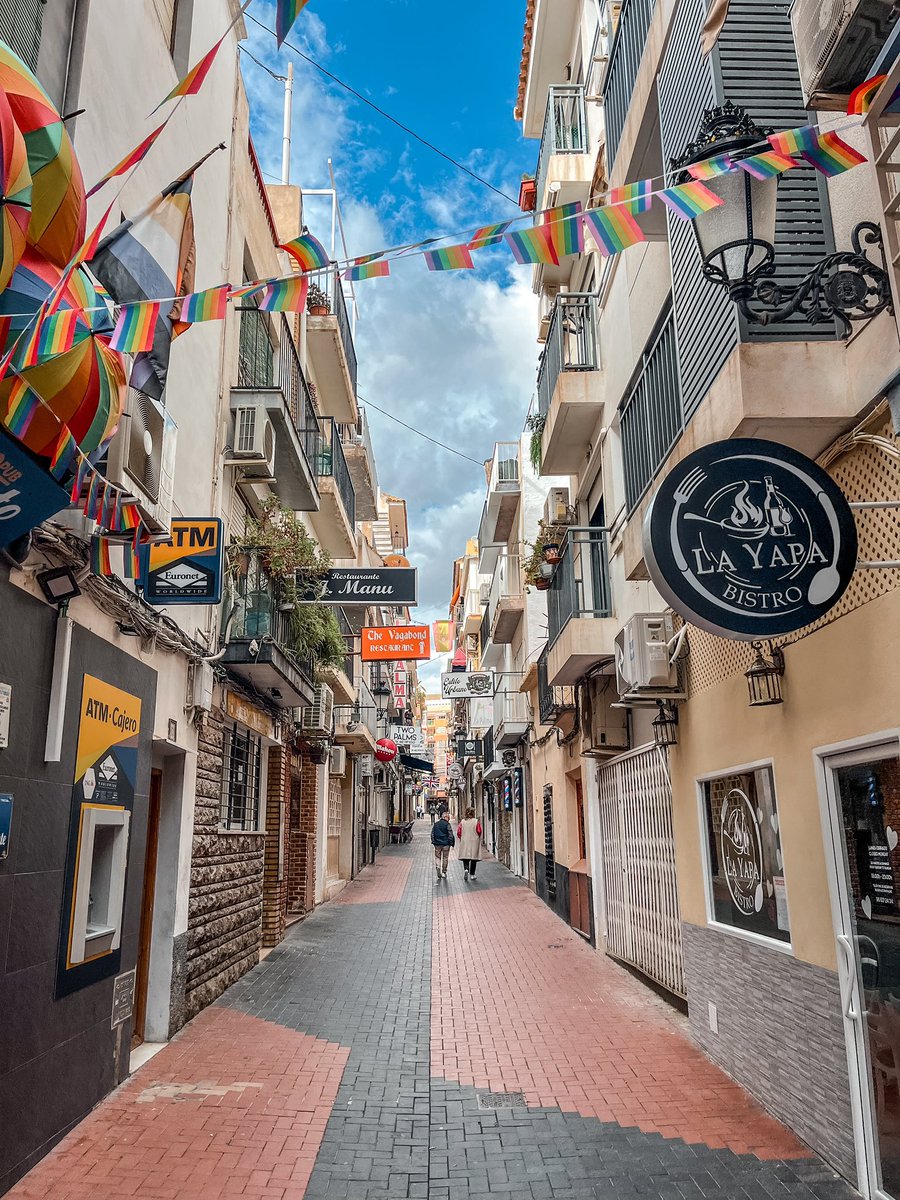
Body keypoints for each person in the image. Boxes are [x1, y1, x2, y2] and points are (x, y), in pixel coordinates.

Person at [456, 807, 482, 881]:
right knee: (474, 858)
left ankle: (466, 869)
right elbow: (479, 831)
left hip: (465, 841)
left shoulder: (462, 822)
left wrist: (462, 837)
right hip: (474, 841)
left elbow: (459, 832)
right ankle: (472, 874)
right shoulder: (476, 821)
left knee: (465, 857)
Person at [431, 807, 454, 880]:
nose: (449, 819)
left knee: (437, 857)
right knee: (445, 858)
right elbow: (450, 834)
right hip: (446, 844)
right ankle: (444, 872)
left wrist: (433, 841)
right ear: (445, 817)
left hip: (437, 844)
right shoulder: (447, 824)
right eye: (448, 818)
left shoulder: (436, 824)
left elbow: (432, 834)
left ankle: (438, 867)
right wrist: (451, 843)